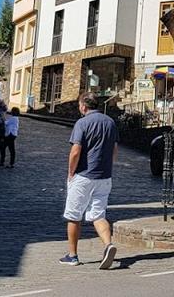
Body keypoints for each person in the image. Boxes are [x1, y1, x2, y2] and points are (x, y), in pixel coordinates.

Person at [60, 93, 118, 269]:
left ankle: (73, 255)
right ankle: (108, 245)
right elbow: (114, 150)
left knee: (74, 215)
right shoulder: (110, 122)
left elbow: (76, 151)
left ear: (84, 106)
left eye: (79, 106)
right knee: (98, 214)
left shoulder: (82, 123)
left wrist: (71, 173)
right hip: (104, 176)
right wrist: (107, 166)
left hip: (84, 175)